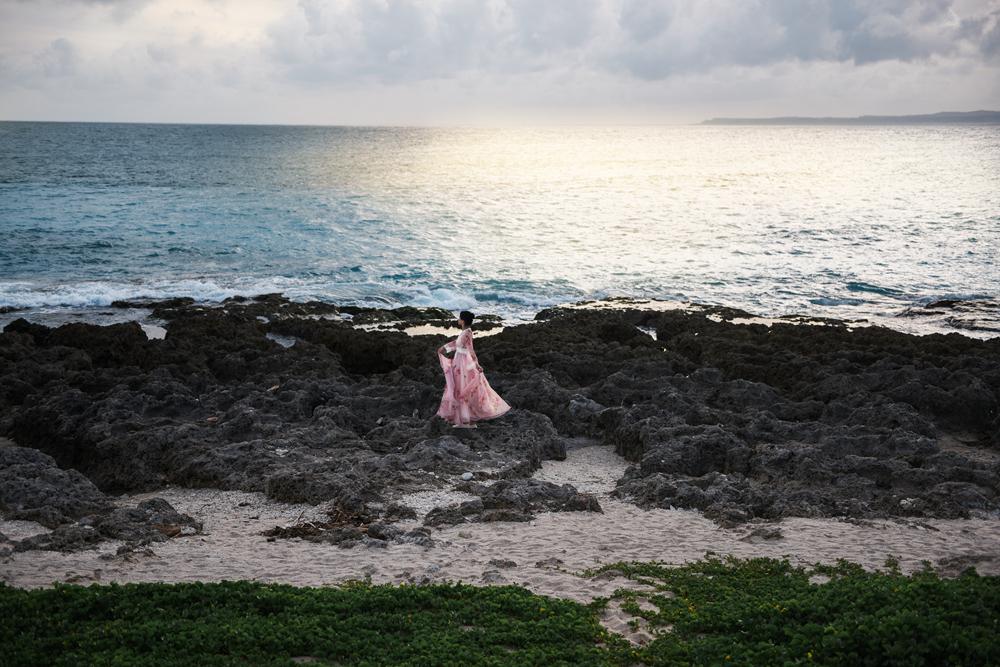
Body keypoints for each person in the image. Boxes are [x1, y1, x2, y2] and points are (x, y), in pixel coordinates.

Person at [436, 310, 511, 428]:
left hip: (464, 363)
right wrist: (444, 348)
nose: (458, 320)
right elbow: (456, 344)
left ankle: (467, 421)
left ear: (463, 321)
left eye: (459, 318)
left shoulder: (467, 332)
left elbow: (471, 350)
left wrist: (476, 364)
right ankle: (467, 421)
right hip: (459, 361)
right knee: (460, 388)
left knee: (463, 389)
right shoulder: (464, 332)